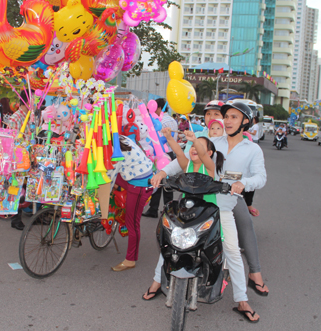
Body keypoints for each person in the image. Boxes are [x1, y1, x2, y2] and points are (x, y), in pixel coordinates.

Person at [145, 102, 267, 323]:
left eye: (233, 117)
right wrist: (162, 172)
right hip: (196, 205)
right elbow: (182, 161)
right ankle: (157, 281)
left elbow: (261, 177)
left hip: (224, 207)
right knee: (173, 241)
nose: (227, 121)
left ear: (245, 122)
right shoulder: (212, 141)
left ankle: (241, 299)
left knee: (231, 250)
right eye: (226, 117)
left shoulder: (253, 149)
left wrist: (243, 183)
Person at [109, 135, 154, 271]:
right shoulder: (120, 137)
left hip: (139, 186)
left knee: (132, 224)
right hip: (138, 177)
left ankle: (130, 260)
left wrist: (103, 194)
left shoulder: (114, 150)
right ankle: (122, 189)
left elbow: (109, 176)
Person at [142, 98, 177, 218]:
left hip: (161, 155)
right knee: (168, 185)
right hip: (171, 154)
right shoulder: (172, 120)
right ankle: (169, 211)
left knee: (157, 182)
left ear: (158, 108)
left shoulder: (161, 121)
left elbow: (157, 140)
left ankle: (154, 209)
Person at [7, 91, 31, 230]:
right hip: (18, 158)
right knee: (17, 186)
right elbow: (14, 140)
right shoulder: (16, 118)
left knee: (25, 186)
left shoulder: (28, 116)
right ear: (26, 101)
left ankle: (20, 214)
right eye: (33, 99)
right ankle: (15, 218)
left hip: (26, 156)